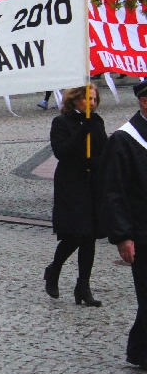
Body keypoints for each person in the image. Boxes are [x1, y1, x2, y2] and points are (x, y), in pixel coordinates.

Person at [45, 85, 108, 305]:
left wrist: (96, 162)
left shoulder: (97, 121)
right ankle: (54, 269)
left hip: (91, 182)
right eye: (86, 99)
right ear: (74, 100)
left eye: (94, 99)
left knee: (89, 235)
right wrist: (83, 131)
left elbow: (104, 150)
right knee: (76, 233)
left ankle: (83, 286)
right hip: (71, 183)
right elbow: (62, 152)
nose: (91, 103)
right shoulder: (61, 122)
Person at [102, 80, 147, 367]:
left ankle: (140, 350)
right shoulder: (124, 139)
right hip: (142, 231)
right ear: (144, 101)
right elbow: (113, 191)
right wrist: (122, 236)